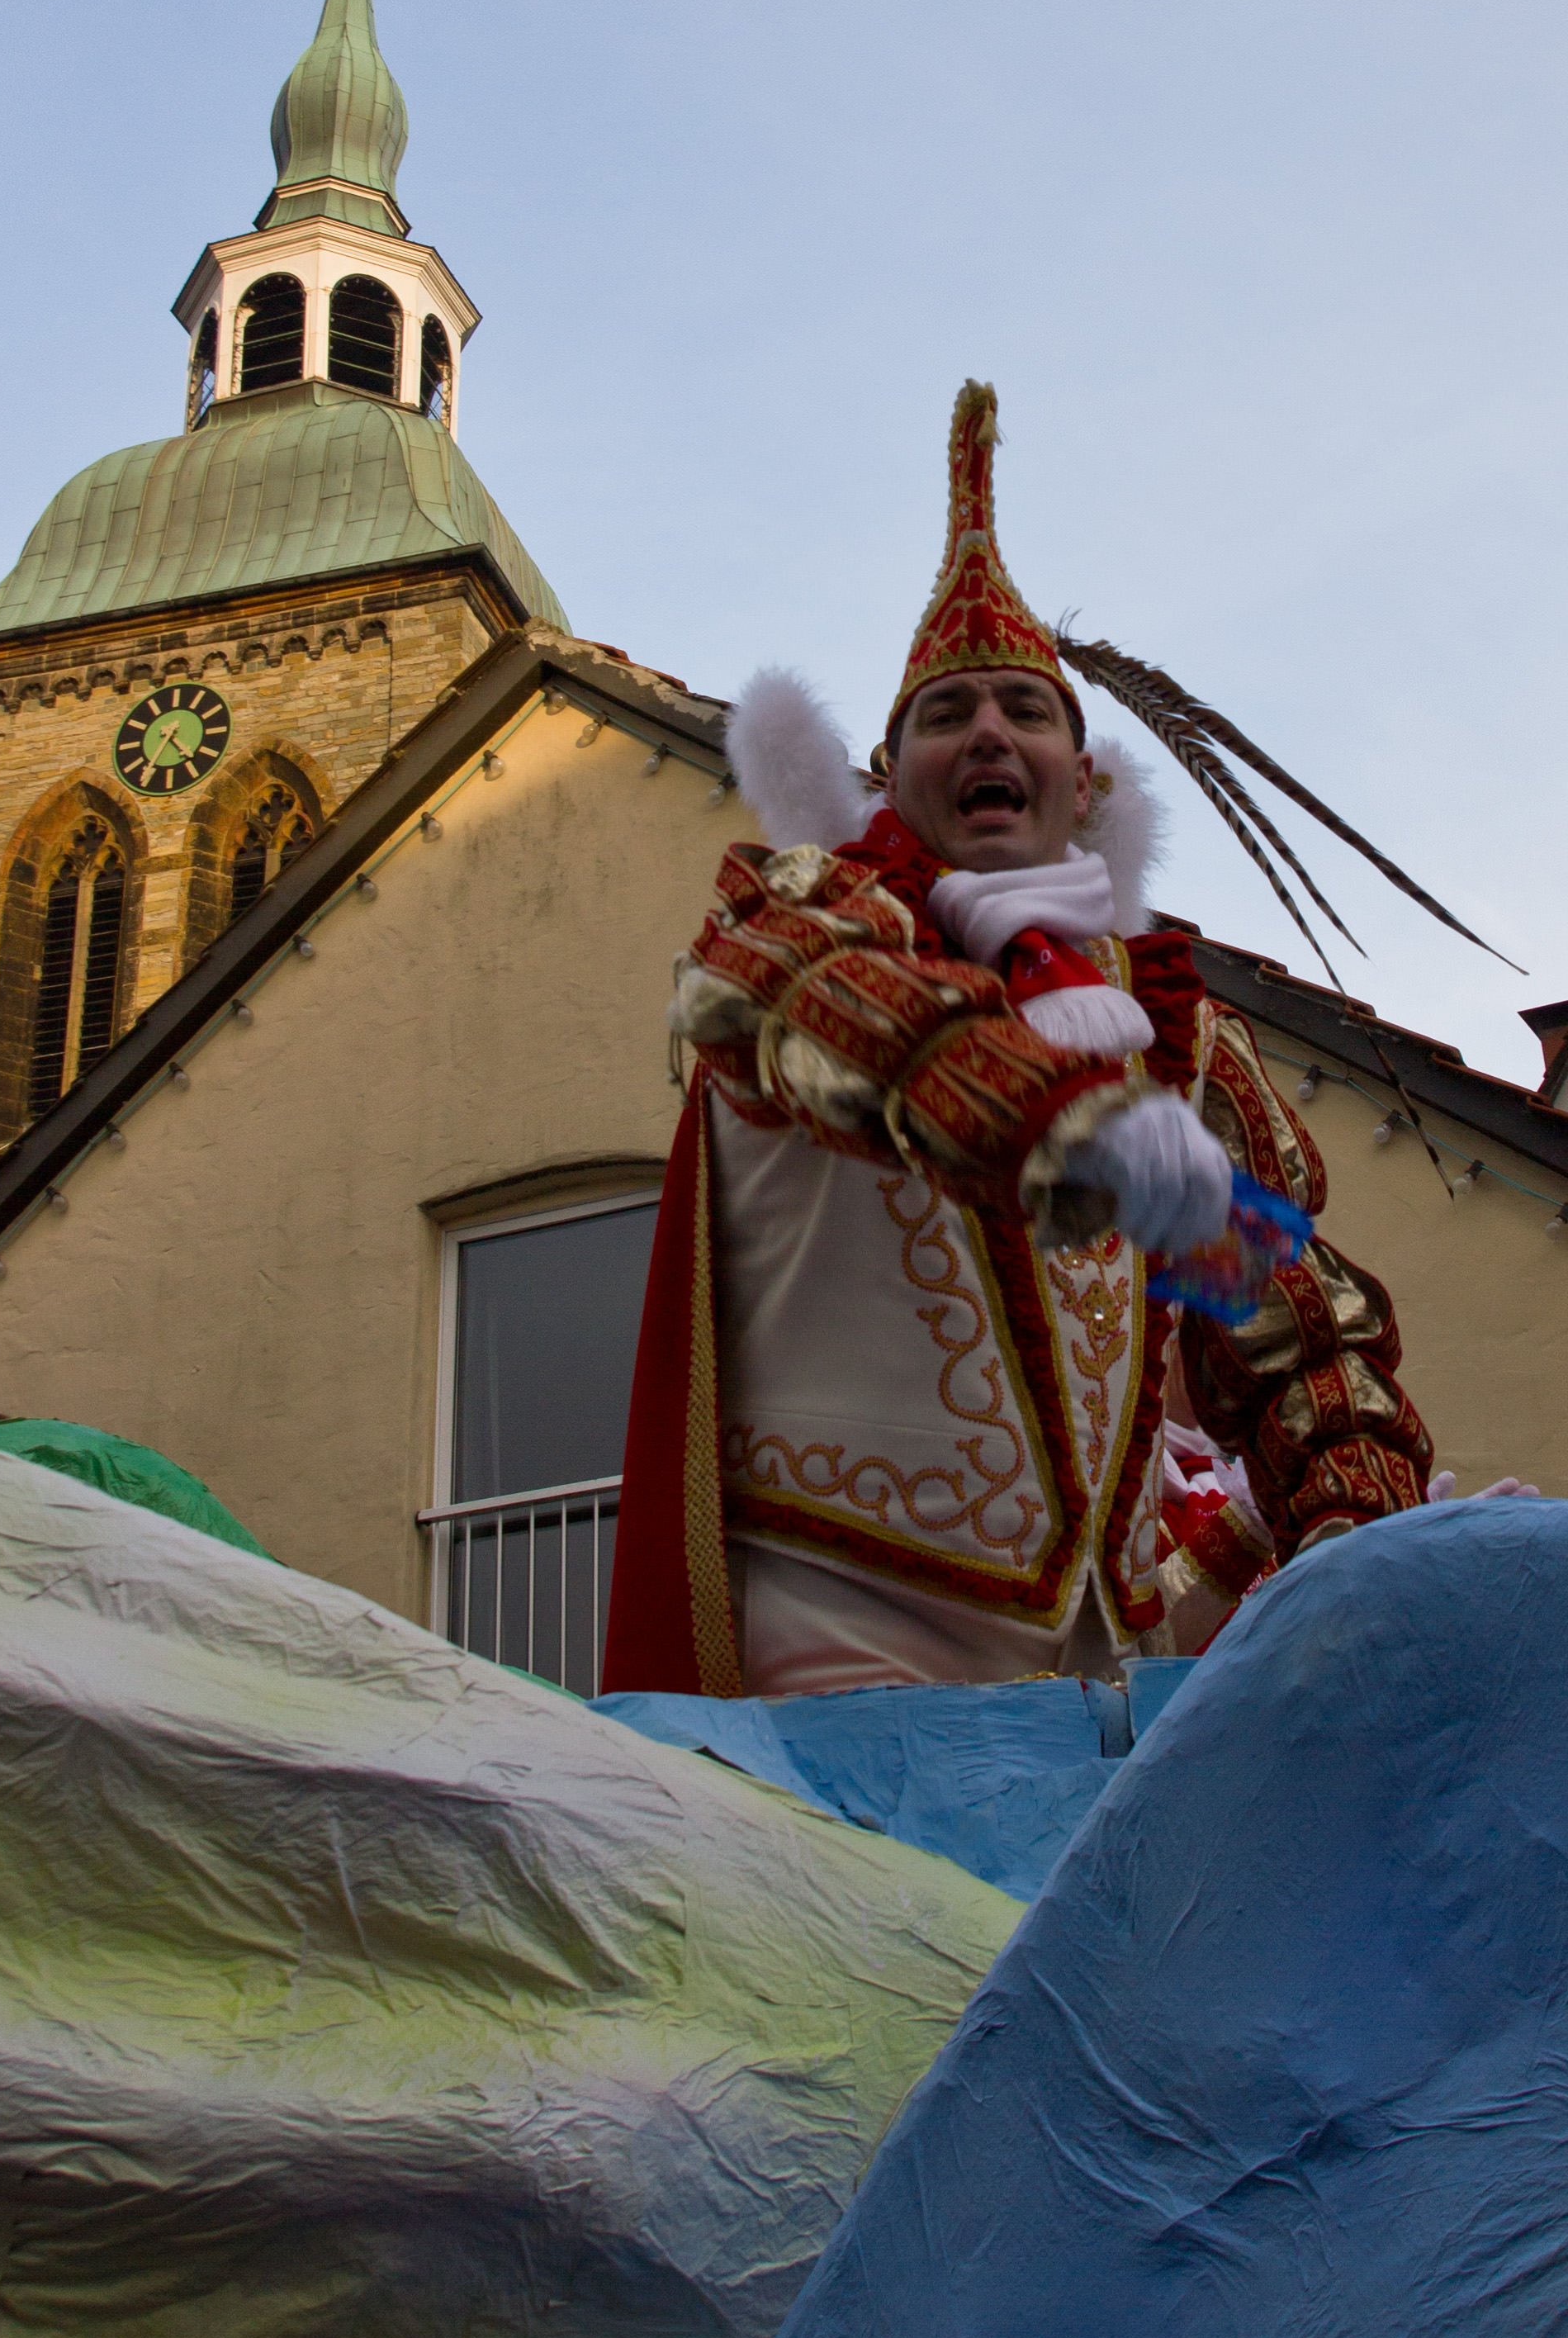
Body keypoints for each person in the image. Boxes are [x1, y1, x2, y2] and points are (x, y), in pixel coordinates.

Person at [601, 382, 1433, 1699]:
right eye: (948, 714)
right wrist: (1069, 1123)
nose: (989, 729)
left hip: (1118, 1671)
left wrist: (1358, 1544)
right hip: (843, 1648)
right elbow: (829, 1016)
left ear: (1081, 783)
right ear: (889, 775)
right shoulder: (806, 923)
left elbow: (1296, 1340)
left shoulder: (1178, 1039)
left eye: (1025, 710)